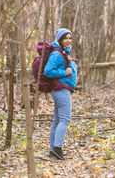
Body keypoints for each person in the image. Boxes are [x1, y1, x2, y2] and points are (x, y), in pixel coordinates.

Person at [44, 28, 78, 160]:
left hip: (62, 90)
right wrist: (66, 73)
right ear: (60, 40)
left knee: (57, 120)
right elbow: (48, 71)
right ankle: (57, 148)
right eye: (65, 38)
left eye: (70, 38)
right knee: (65, 119)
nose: (68, 40)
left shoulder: (63, 52)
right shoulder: (57, 54)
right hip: (61, 90)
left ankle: (53, 149)